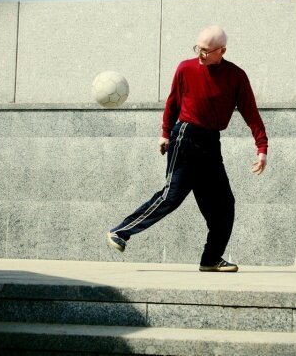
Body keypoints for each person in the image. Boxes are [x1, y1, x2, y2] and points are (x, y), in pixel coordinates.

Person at [107, 25, 268, 272]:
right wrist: (164, 133)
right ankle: (121, 231)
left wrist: (261, 147)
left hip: (211, 143)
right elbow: (173, 102)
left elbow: (250, 112)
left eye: (206, 51)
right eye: (198, 49)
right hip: (185, 136)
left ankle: (211, 259)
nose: (200, 54)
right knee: (172, 195)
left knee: (225, 205)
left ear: (222, 51)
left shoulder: (236, 76)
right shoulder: (186, 68)